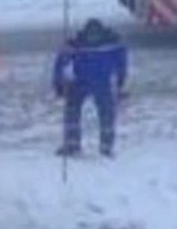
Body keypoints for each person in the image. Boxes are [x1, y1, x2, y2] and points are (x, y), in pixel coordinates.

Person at [52, 18, 128, 158]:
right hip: (95, 83)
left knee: (74, 113)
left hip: (81, 83)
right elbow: (122, 65)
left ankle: (73, 145)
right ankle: (105, 147)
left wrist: (58, 85)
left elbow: (60, 64)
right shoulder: (114, 45)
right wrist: (120, 83)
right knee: (105, 115)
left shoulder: (76, 45)